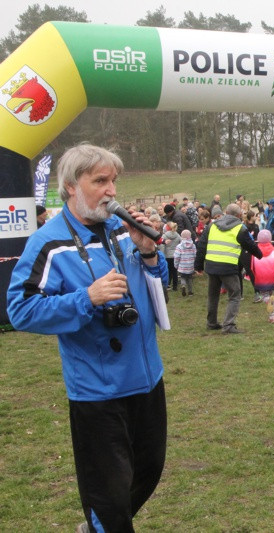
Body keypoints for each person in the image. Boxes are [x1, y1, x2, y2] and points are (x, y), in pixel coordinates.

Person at [7, 144, 169, 532]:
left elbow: (158, 287)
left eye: (113, 180)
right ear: (69, 186)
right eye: (100, 181)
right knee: (110, 500)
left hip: (147, 378)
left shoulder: (122, 230)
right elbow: (20, 310)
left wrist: (148, 254)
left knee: (148, 472)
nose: (111, 190)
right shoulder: (48, 242)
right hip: (98, 391)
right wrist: (87, 298)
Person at [195, 203, 262, 334]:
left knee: (213, 295)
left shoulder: (212, 225)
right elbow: (250, 245)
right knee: (235, 294)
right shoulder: (240, 228)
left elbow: (202, 245)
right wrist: (260, 255)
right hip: (228, 266)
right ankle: (228, 325)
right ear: (238, 215)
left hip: (211, 265)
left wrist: (198, 265)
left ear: (226, 212)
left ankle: (211, 322)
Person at [173, 229, 197, 296]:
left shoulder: (179, 246)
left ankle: (183, 285)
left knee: (183, 277)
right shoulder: (193, 246)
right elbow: (195, 255)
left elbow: (176, 256)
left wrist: (176, 265)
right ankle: (190, 292)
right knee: (189, 278)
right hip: (190, 265)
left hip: (182, 265)